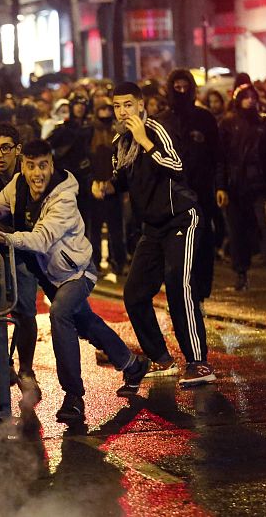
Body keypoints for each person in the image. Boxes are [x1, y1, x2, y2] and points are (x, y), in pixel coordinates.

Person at [0, 141, 150, 423]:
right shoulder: (18, 185)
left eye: (43, 165)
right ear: (22, 166)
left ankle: (74, 396)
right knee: (86, 323)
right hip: (50, 275)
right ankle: (132, 364)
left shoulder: (64, 198)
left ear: (51, 165)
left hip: (77, 272)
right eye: (30, 166)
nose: (36, 173)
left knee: (60, 313)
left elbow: (41, 240)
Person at [92, 82, 214, 387]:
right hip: (152, 229)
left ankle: (199, 363)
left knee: (177, 283)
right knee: (134, 294)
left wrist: (145, 141)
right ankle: (161, 358)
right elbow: (122, 181)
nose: (122, 111)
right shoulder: (120, 141)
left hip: (181, 220)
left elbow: (177, 166)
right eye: (118, 106)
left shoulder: (156, 130)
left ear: (141, 104)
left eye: (128, 105)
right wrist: (105, 186)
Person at [217, 83, 266, 291]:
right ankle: (241, 274)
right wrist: (221, 187)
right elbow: (221, 158)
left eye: (253, 96)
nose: (250, 100)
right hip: (236, 187)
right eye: (246, 96)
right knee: (237, 232)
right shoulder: (228, 124)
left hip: (263, 186)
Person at [157, 69, 220, 304]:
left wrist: (218, 186)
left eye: (186, 87)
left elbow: (217, 156)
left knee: (202, 244)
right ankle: (179, 294)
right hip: (172, 194)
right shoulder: (162, 120)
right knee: (176, 246)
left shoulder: (205, 119)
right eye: (177, 88)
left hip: (201, 192)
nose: (182, 92)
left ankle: (200, 294)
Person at [48, 93, 94, 236]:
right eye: (77, 105)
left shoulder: (91, 128)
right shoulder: (63, 128)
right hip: (66, 178)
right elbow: (49, 147)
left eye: (83, 105)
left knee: (84, 218)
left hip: (84, 178)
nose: (80, 108)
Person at [88, 98, 126, 276]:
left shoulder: (117, 130)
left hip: (113, 186)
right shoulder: (90, 131)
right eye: (101, 109)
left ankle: (118, 262)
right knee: (94, 229)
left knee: (116, 229)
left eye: (107, 109)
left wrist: (116, 183)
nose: (105, 112)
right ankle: (95, 263)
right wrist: (92, 182)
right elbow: (88, 159)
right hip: (95, 185)